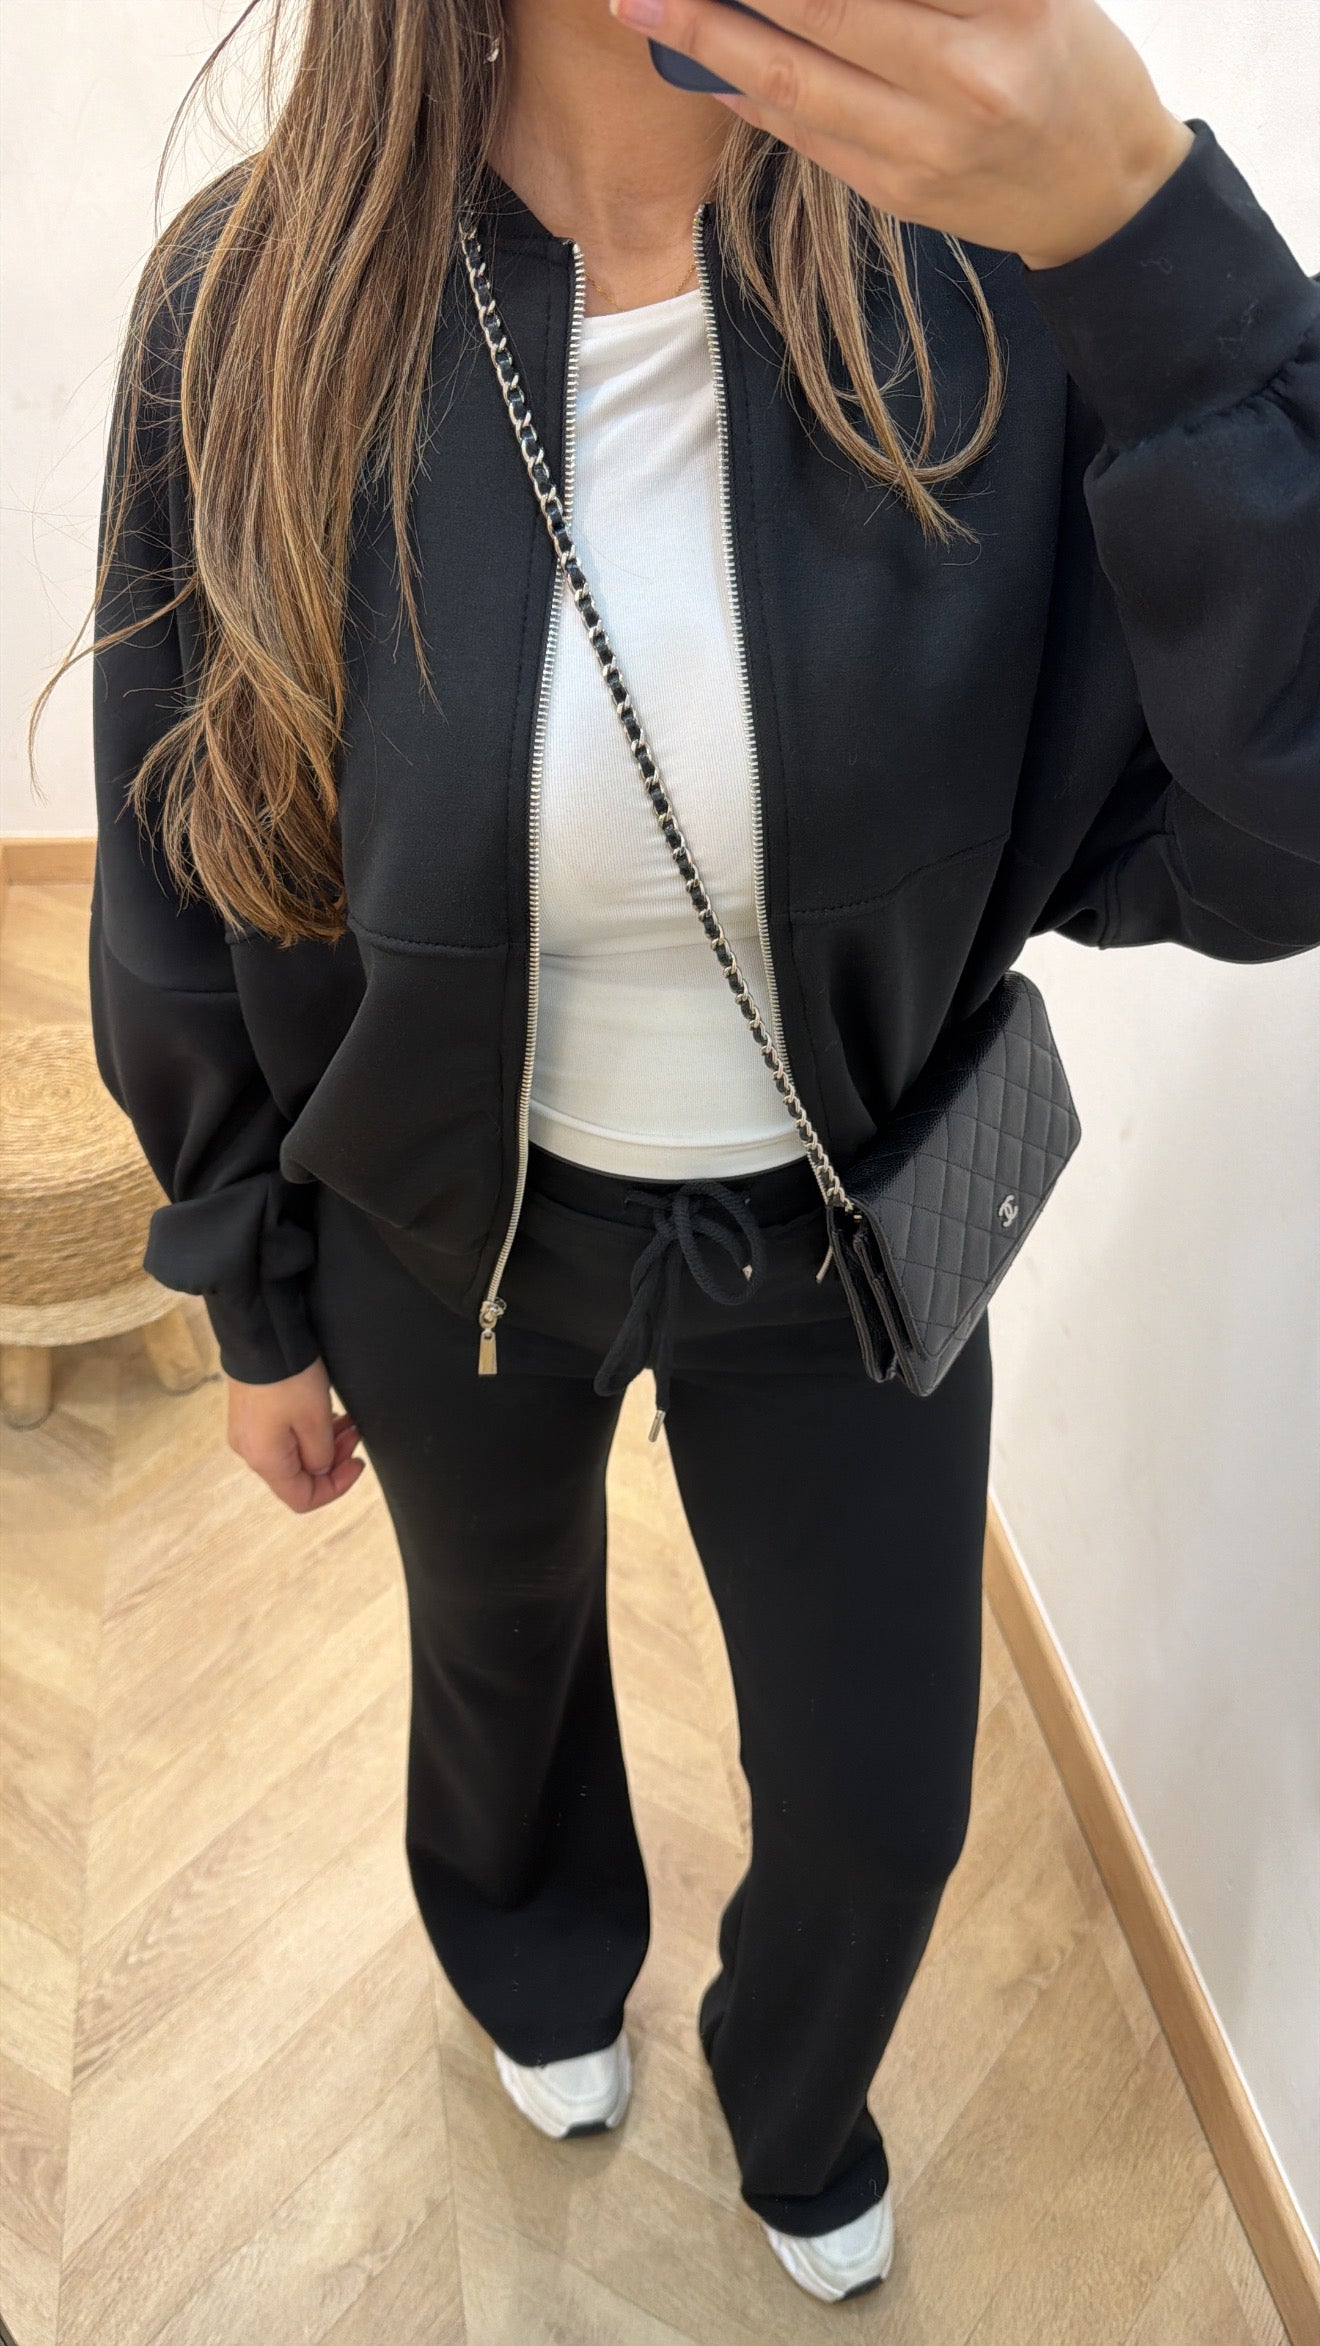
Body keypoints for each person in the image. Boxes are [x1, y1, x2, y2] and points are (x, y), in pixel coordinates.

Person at [55, 0, 1319, 2308]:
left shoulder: (992, 283)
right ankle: (534, 1961)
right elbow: (173, 854)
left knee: (886, 1796)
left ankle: (795, 2092)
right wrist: (247, 1291)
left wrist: (1161, 254)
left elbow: (1280, 836)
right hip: (440, 1231)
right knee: (496, 1665)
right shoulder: (262, 296)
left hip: (847, 1237)